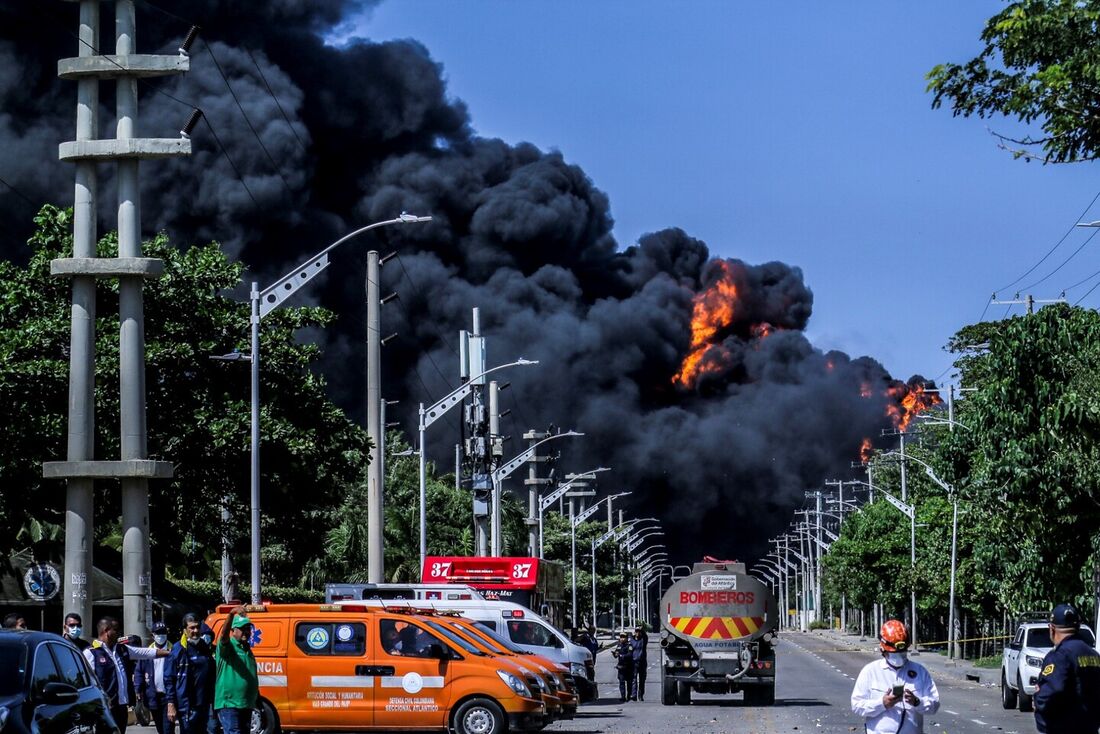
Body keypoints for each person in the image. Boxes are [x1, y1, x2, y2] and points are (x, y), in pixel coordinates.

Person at [83, 616, 170, 734]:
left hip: (122, 707)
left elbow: (145, 652)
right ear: (106, 631)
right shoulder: (91, 653)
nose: (119, 633)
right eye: (116, 630)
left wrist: (170, 653)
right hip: (105, 709)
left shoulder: (122, 649)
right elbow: (86, 681)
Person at [851, 619, 940, 733]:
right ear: (882, 649)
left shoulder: (920, 672)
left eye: (902, 653)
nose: (899, 657)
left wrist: (917, 702)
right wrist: (882, 703)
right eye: (894, 654)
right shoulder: (870, 671)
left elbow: (934, 705)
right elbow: (857, 706)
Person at [1033, 603, 1100, 733]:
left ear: (1051, 629)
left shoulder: (1060, 656)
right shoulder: (1094, 656)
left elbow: (1052, 691)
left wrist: (1038, 696)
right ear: (1078, 627)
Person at [165, 614, 216, 734]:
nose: (196, 631)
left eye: (198, 627)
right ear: (184, 630)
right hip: (187, 706)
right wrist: (171, 704)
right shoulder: (178, 650)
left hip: (205, 705)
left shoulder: (205, 647)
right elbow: (169, 678)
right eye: (192, 628)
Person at [214, 606, 258, 734]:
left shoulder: (247, 650)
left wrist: (256, 697)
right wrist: (231, 614)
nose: (246, 632)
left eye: (248, 629)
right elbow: (223, 635)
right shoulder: (228, 647)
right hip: (230, 704)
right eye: (242, 628)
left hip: (246, 703)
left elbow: (251, 676)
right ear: (233, 631)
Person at [135, 622, 174, 734]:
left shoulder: (173, 650)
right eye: (158, 633)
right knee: (160, 728)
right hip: (153, 696)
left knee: (168, 729)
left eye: (163, 633)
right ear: (153, 635)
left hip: (168, 696)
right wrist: (138, 689)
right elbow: (139, 671)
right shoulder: (147, 652)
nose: (161, 636)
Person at [612, 632, 635, 703]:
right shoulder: (619, 645)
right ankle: (623, 696)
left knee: (629, 683)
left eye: (623, 637)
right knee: (621, 682)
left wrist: (622, 655)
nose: (622, 638)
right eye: (621, 637)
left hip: (628, 667)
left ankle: (628, 696)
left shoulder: (629, 645)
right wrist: (615, 654)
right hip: (621, 667)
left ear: (626, 638)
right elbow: (616, 654)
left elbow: (630, 655)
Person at [631, 625, 648, 701]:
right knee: (633, 679)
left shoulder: (643, 640)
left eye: (639, 632)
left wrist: (643, 630)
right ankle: (633, 695)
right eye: (636, 632)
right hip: (634, 662)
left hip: (642, 662)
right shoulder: (632, 640)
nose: (638, 633)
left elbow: (645, 637)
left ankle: (640, 695)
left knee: (642, 679)